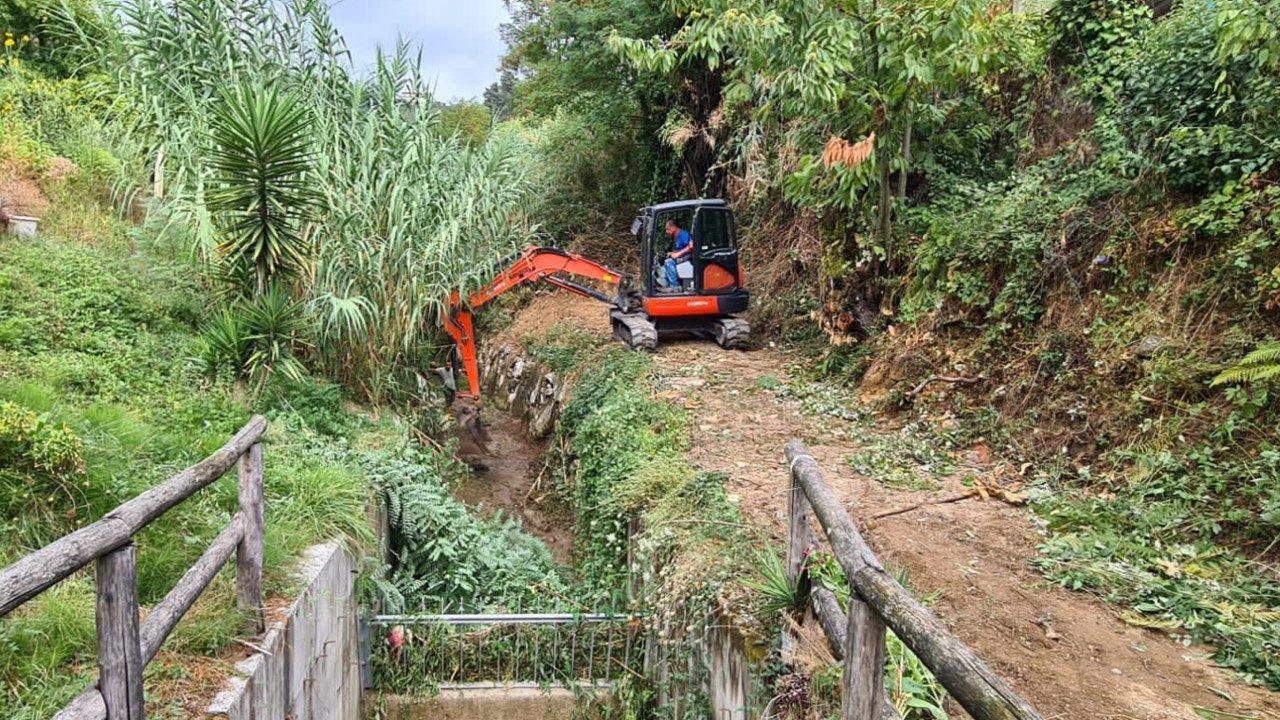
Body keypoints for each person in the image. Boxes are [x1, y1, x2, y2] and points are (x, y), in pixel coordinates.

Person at [663, 219, 693, 288]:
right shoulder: (677, 236)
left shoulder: (683, 234)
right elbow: (681, 248)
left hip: (689, 257)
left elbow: (691, 246)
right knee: (667, 260)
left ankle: (675, 286)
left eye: (667, 229)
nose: (666, 231)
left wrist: (677, 254)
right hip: (683, 256)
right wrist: (672, 253)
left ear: (673, 227)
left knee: (669, 263)